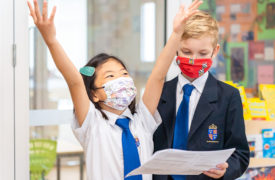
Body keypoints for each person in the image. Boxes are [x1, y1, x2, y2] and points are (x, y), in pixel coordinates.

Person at [27, 0, 203, 179]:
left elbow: (158, 77)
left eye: (124, 73)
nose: (121, 80)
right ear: (94, 94)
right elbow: (75, 82)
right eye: (110, 76)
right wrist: (51, 40)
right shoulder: (92, 124)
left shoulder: (142, 121)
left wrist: (176, 33)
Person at [153, 11, 250, 180]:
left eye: (203, 54)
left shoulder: (228, 96)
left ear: (215, 51)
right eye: (187, 52)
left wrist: (226, 170)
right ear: (176, 48)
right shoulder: (160, 92)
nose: (193, 59)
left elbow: (240, 154)